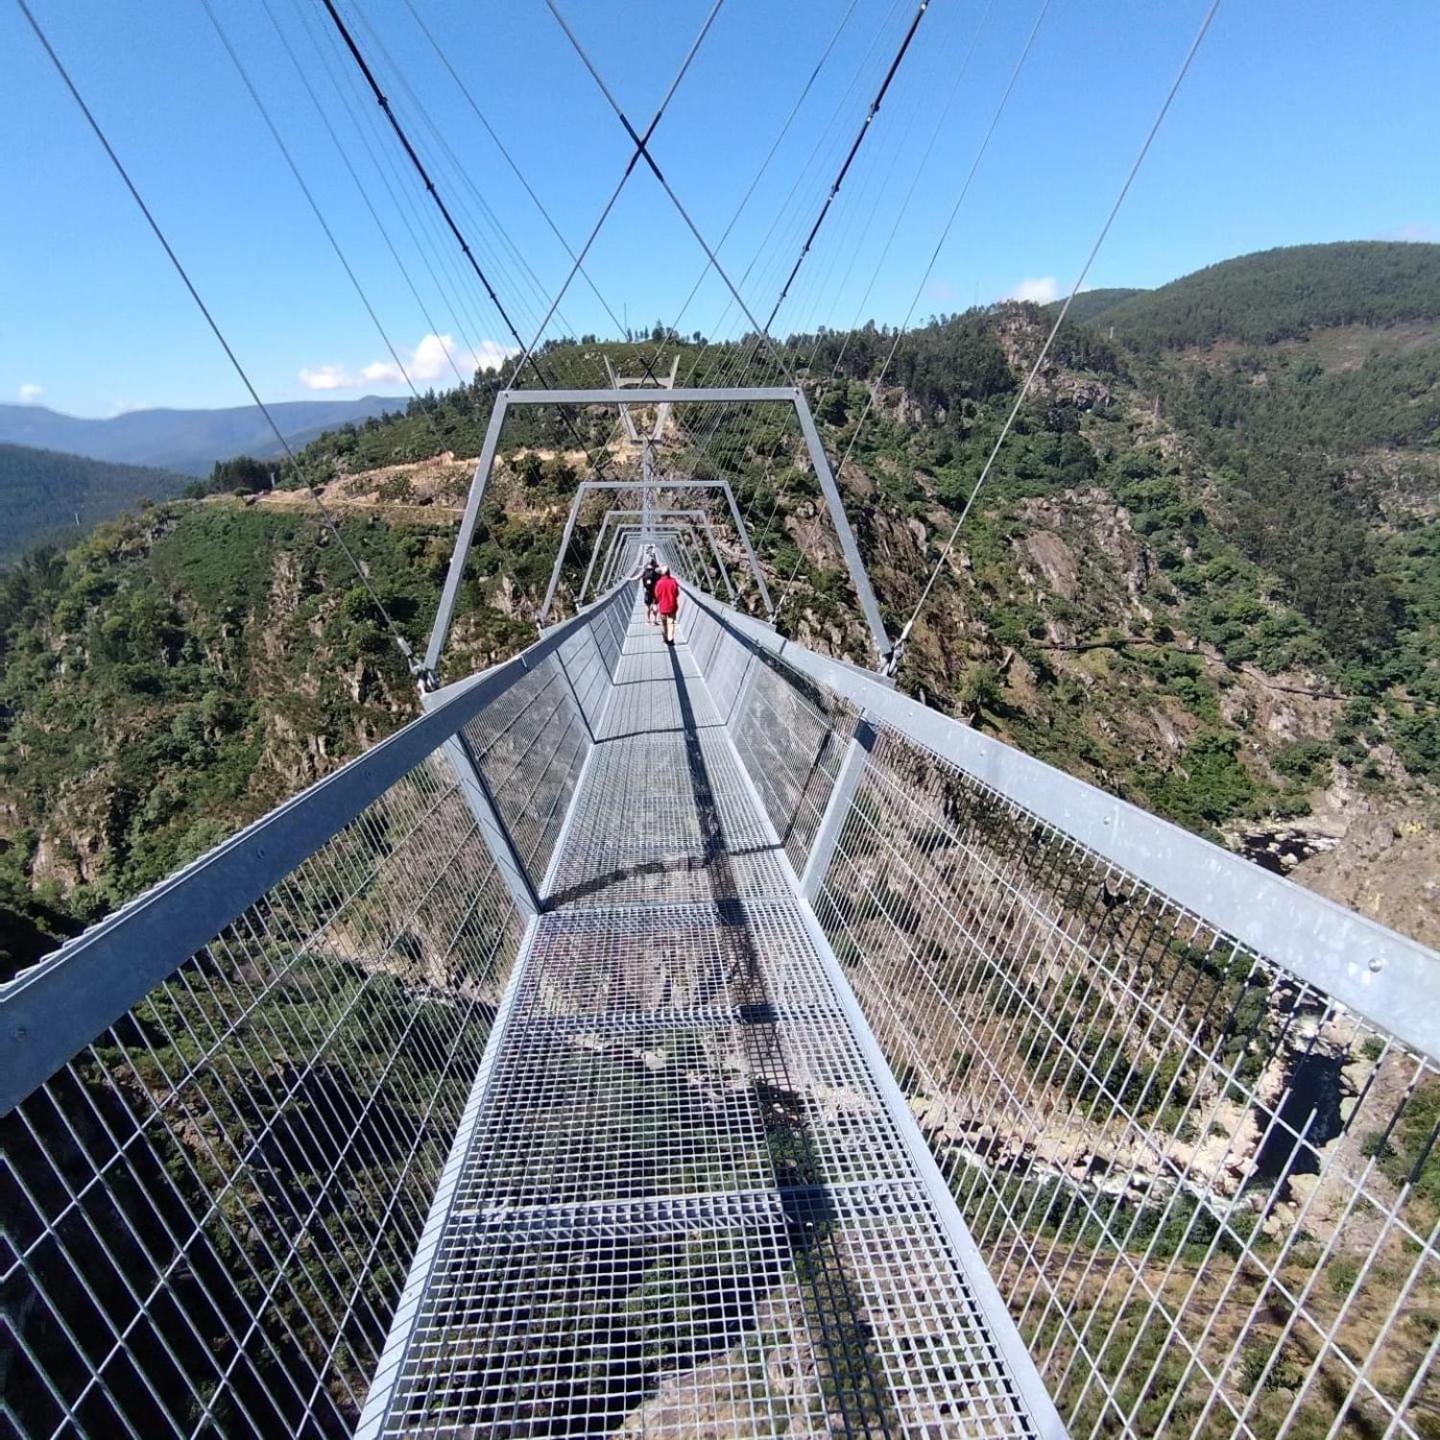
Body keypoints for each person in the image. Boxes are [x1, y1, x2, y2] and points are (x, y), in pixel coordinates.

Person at [654, 565, 680, 645]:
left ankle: (665, 637)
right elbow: (677, 593)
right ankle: (671, 639)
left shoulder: (659, 583)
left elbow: (657, 595)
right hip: (672, 606)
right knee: (671, 622)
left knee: (664, 624)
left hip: (663, 607)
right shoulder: (673, 581)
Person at [640, 552, 660, 625]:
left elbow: (641, 580)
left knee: (647, 606)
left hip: (647, 591)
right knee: (655, 605)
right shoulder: (656, 573)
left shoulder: (645, 572)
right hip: (655, 592)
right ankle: (654, 620)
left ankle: (648, 620)